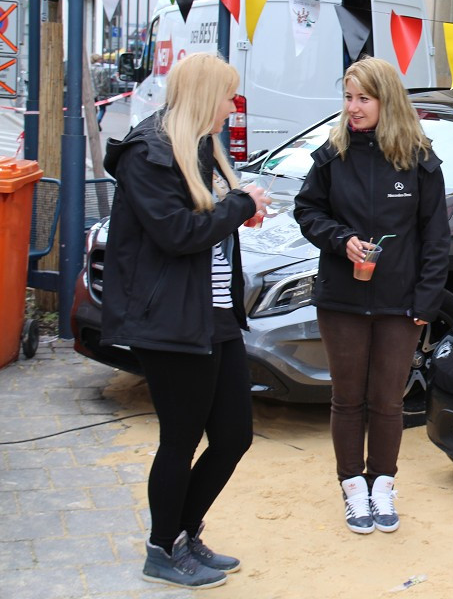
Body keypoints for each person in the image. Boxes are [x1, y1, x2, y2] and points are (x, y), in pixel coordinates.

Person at [100, 53, 271, 589]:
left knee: (233, 436)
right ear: (204, 96)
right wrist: (240, 205)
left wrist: (238, 208)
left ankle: (183, 531)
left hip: (213, 313)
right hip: (170, 320)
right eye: (227, 95)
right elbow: (177, 234)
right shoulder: (148, 152)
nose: (231, 105)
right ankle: (162, 547)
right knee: (180, 438)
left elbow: (207, 227)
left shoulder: (202, 146)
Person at [294, 56, 450, 536]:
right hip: (342, 299)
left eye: (363, 98)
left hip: (399, 305)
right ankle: (352, 488)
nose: (353, 108)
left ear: (387, 100)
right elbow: (306, 211)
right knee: (347, 400)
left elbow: (436, 239)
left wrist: (425, 304)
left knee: (386, 401)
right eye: (348, 98)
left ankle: (382, 484)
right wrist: (341, 239)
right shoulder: (331, 155)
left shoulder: (420, 159)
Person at [90, 53, 111, 127]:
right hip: (100, 93)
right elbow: (104, 83)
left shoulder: (89, 69)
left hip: (91, 93)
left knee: (93, 109)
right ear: (98, 60)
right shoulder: (102, 70)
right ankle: (97, 122)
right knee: (102, 109)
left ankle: (94, 122)